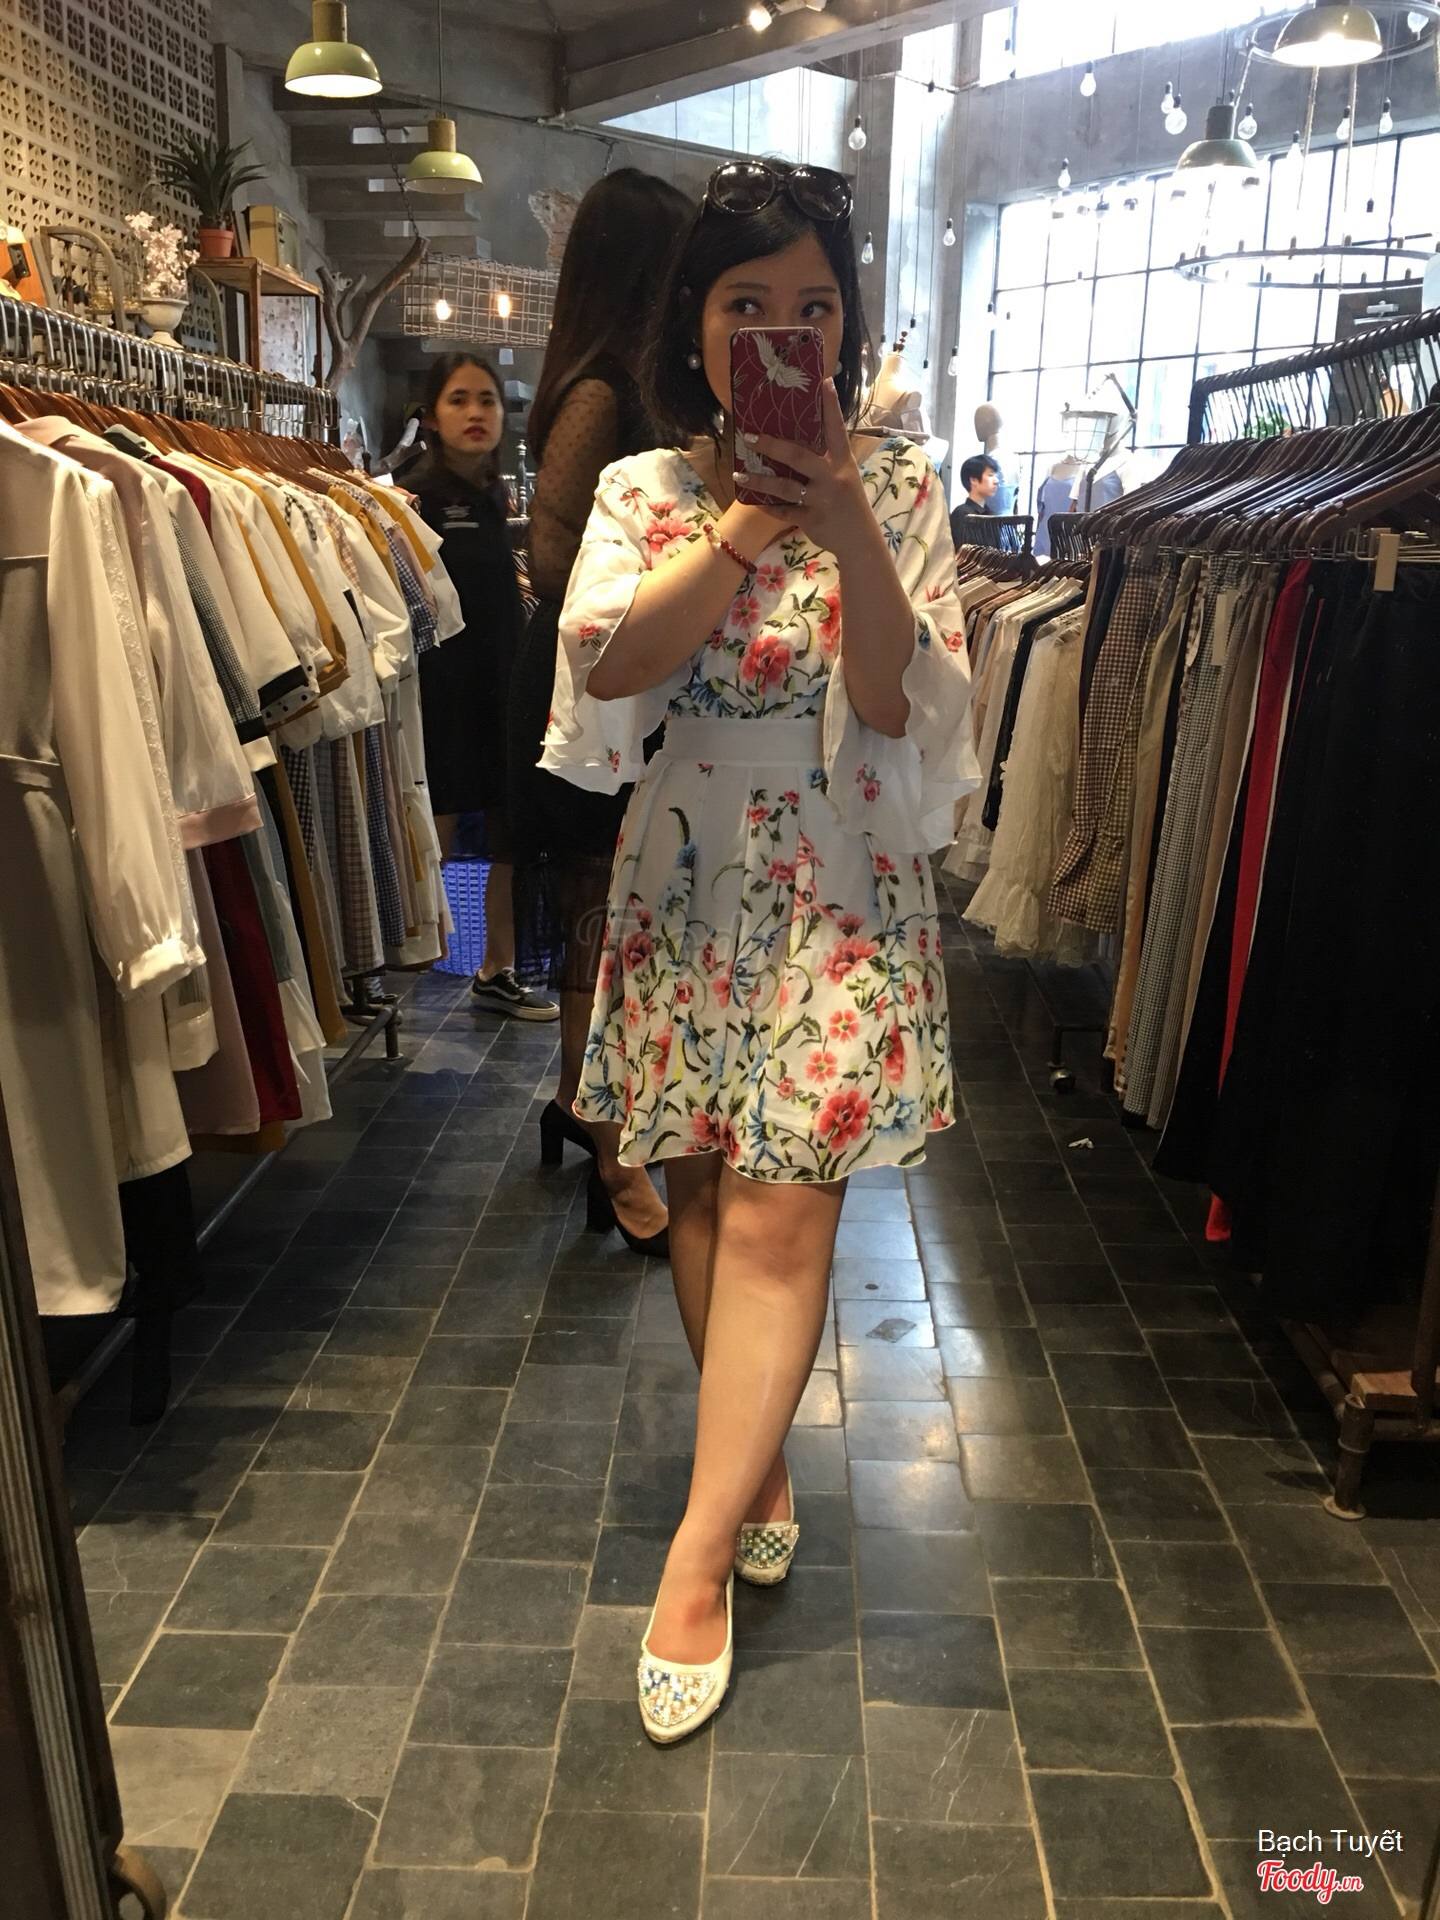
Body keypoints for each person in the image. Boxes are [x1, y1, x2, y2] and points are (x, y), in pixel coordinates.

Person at [541, 157, 980, 1742]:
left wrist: (844, 509)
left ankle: (695, 1555)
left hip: (840, 879)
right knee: (708, 1190)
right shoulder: (644, 490)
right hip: (686, 876)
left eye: (813, 306)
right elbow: (614, 670)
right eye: (747, 305)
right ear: (698, 324)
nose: (782, 332)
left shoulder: (902, 487)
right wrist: (740, 525)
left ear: (847, 327)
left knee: (790, 1212)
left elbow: (890, 697)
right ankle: (757, 1462)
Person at [509, 167, 692, 1252]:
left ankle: (588, 1110)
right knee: (600, 912)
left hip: (629, 675)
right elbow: (548, 555)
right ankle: (612, 1150)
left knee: (614, 907)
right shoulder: (601, 391)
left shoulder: (636, 383)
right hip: (595, 678)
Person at [410, 352, 558, 1020]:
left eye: (487, 400)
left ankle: (497, 969)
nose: (475, 413)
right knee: (431, 835)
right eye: (459, 399)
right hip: (440, 694)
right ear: (431, 416)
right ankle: (394, 966)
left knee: (512, 833)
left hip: (502, 690)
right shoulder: (415, 497)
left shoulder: (495, 497)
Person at [949, 451, 1000, 541]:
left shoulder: (991, 514)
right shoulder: (962, 514)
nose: (996, 481)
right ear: (973, 480)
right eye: (990, 475)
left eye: (996, 476)